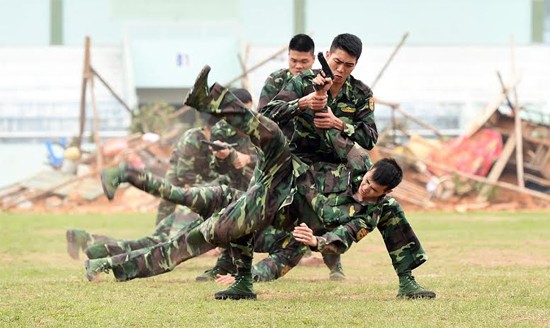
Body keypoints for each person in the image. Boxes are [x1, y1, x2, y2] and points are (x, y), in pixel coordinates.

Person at [88, 66, 435, 301]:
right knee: (271, 135)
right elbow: (330, 133)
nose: (365, 190)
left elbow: (343, 237)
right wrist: (321, 104)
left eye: (373, 193)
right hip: (283, 181)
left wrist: (318, 240)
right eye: (367, 184)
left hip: (278, 215)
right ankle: (208, 98)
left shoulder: (372, 211)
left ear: (383, 193)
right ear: (369, 173)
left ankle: (110, 265)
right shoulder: (358, 162)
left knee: (190, 241)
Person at [201, 33, 346, 283]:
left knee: (317, 215)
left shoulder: (324, 84)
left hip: (307, 165)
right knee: (248, 211)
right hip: (272, 161)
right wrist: (300, 104)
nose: (298, 66)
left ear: (313, 59)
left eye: (303, 61)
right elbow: (264, 117)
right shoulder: (276, 80)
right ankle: (225, 266)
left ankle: (334, 265)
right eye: (293, 61)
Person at [66, 89, 256, 260]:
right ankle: (100, 248)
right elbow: (186, 180)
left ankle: (92, 244)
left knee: (158, 243)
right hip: (180, 203)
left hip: (194, 203)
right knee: (162, 246)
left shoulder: (235, 144)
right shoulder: (193, 139)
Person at [261, 33, 377, 165]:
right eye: (337, 62)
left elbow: (370, 139)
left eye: (348, 65)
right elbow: (265, 116)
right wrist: (302, 103)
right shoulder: (302, 81)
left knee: (364, 164)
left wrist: (338, 124)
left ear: (355, 64)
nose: (340, 69)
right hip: (297, 161)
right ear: (327, 55)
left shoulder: (361, 93)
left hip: (337, 165)